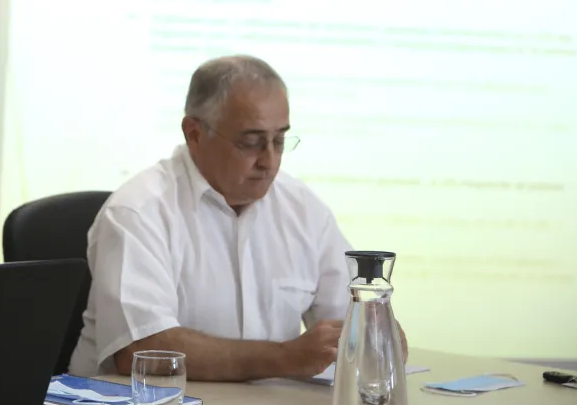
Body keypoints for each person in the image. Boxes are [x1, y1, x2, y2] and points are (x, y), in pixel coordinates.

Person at [68, 55, 406, 381]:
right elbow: (143, 350)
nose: (270, 160)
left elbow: (361, 326)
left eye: (279, 139)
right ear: (194, 134)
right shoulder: (138, 211)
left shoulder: (303, 209)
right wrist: (286, 357)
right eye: (252, 142)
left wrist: (377, 336)